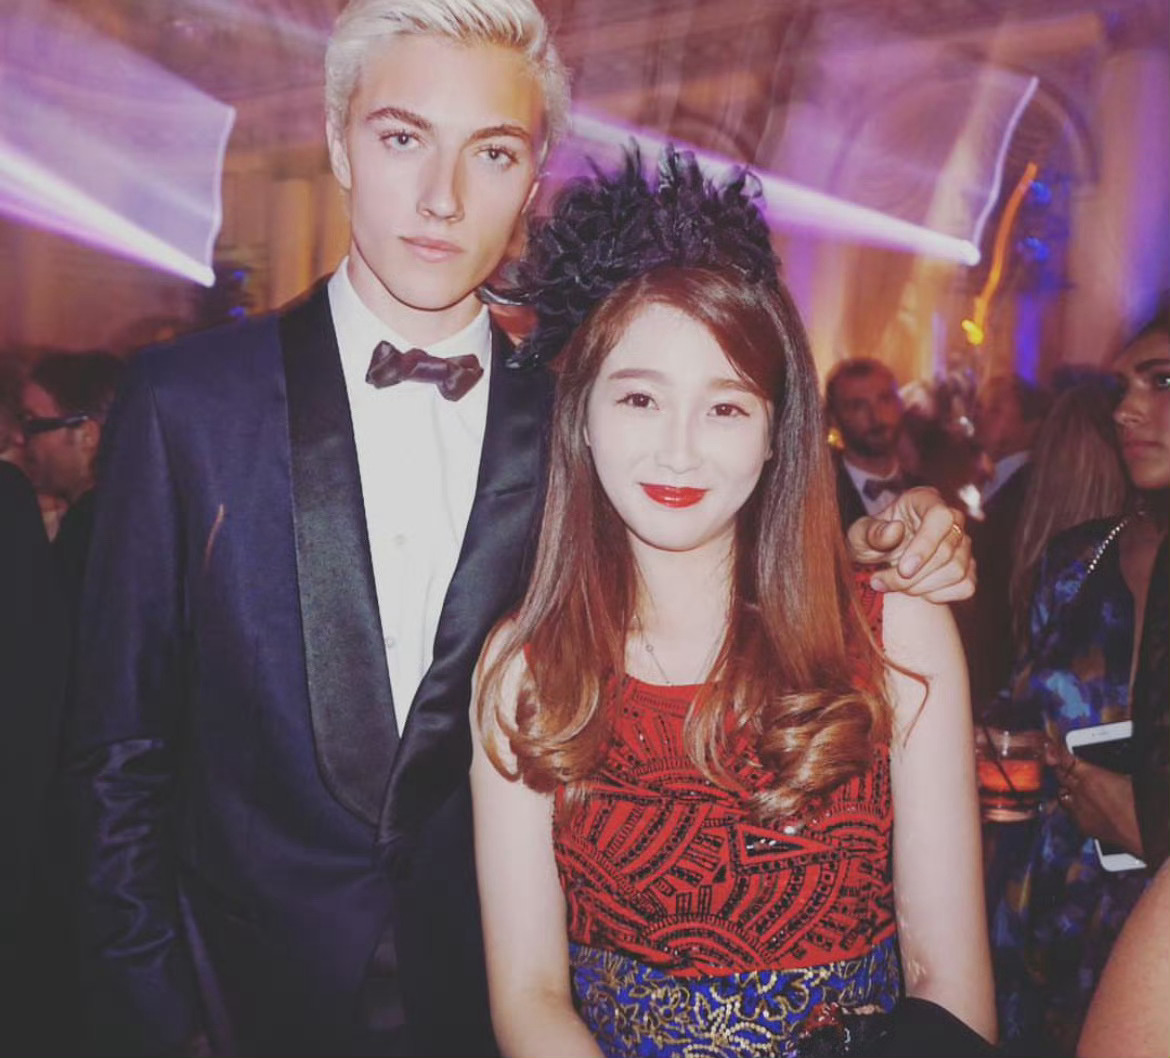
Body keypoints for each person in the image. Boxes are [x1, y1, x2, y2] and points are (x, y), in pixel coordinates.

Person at [65, 3, 974, 1054]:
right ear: (338, 143)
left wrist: (900, 531)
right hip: (241, 1009)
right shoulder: (187, 404)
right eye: (402, 138)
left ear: (534, 173)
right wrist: (157, 1024)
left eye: (491, 152)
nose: (442, 197)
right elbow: (114, 758)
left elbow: (760, 527)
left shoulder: (593, 409)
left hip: (492, 1002)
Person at [471, 151, 995, 1058]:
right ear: (581, 417)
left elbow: (949, 983)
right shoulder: (526, 668)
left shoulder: (895, 633)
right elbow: (528, 995)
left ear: (776, 433)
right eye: (641, 398)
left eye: (725, 408)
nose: (679, 451)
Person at [988, 300, 1169, 1055]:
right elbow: (1020, 711)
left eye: (1162, 381)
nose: (1126, 409)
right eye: (1122, 387)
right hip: (1046, 923)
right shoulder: (1080, 559)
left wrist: (1145, 820)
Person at [960, 374, 1051, 714]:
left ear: (1031, 425)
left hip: (999, 664)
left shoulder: (1030, 491)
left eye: (995, 409)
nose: (979, 415)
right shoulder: (987, 479)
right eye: (981, 407)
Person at [20, 351, 125, 616]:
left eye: (33, 423)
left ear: (87, 435)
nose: (21, 439)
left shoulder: (90, 529)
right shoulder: (124, 512)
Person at [825, 357, 921, 529]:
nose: (876, 415)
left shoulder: (928, 489)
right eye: (858, 406)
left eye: (885, 399)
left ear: (900, 404)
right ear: (833, 418)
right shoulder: (822, 499)